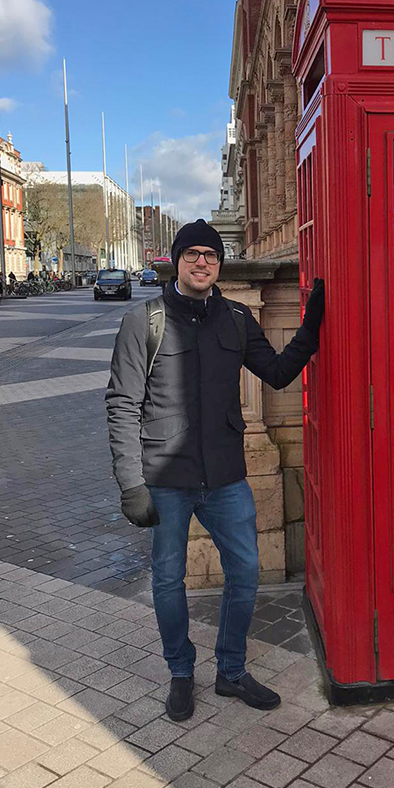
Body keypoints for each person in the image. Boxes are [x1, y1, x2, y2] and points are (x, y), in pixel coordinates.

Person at [106, 219, 324, 721]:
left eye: (210, 254)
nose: (201, 261)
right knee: (167, 579)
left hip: (226, 476)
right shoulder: (146, 321)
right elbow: (121, 404)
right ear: (176, 261)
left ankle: (230, 671)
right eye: (192, 254)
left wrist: (310, 328)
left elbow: (275, 371)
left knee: (246, 570)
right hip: (166, 477)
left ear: (219, 263)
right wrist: (130, 484)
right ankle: (181, 673)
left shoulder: (236, 318)